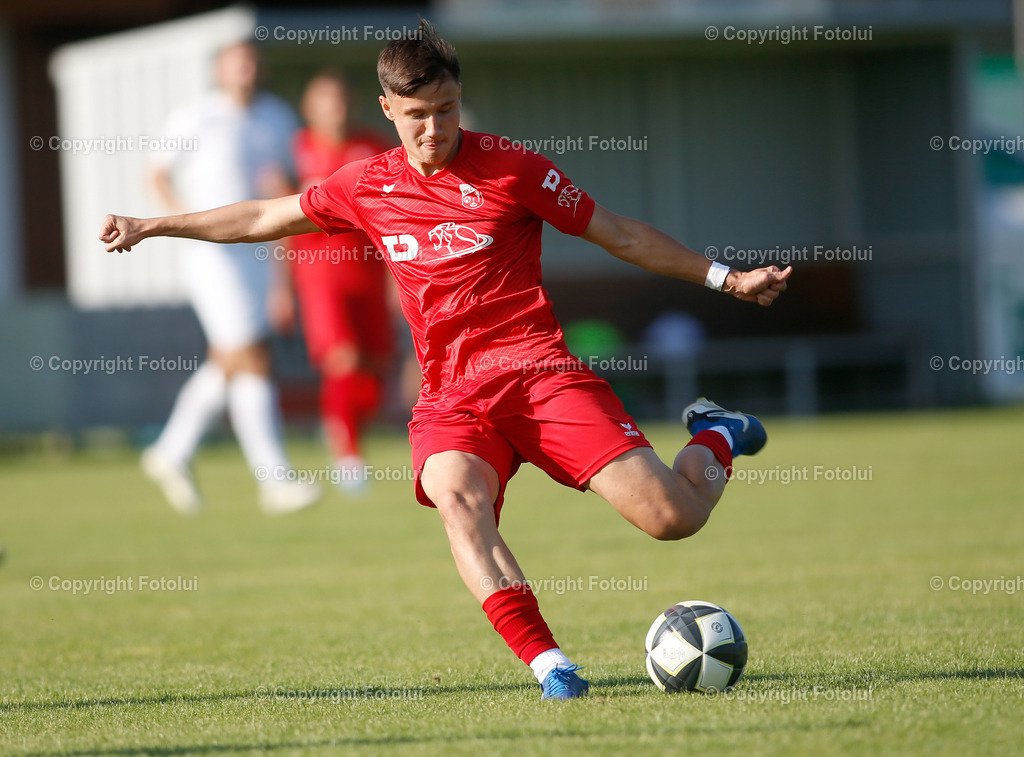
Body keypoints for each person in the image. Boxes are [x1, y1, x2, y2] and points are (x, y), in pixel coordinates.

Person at [100, 21, 791, 698]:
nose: (434, 130)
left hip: (540, 375)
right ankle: (551, 665)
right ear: (387, 110)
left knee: (673, 518)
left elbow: (621, 236)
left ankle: (716, 433)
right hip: (452, 397)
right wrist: (154, 224)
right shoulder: (366, 185)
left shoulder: (514, 168)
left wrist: (726, 278)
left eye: (447, 110)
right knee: (458, 500)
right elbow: (260, 218)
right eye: (417, 116)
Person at [141, 41, 320, 516]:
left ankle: (170, 450)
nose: (247, 67)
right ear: (219, 69)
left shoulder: (278, 118)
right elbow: (156, 175)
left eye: (253, 60)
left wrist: (284, 275)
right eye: (237, 60)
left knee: (231, 358)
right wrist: (187, 223)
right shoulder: (195, 116)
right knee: (253, 357)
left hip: (260, 254)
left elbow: (288, 189)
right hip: (213, 256)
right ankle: (275, 480)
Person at [277, 70, 394, 493]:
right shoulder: (294, 153)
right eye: (325, 99)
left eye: (341, 98)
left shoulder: (373, 149)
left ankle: (338, 427)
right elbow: (274, 223)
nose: (335, 108)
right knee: (341, 360)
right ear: (309, 108)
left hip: (370, 272)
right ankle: (349, 459)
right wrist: (280, 287)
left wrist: (399, 278)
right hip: (319, 277)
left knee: (375, 372)